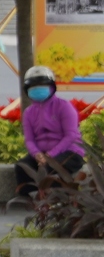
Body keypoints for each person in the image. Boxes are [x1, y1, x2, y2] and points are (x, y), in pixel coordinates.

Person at [16, 65, 85, 200]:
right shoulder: (29, 112)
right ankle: (32, 199)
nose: (37, 88)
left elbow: (70, 135)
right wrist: (37, 155)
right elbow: (29, 139)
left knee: (51, 169)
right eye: (33, 86)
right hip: (42, 154)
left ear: (51, 86)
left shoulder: (64, 106)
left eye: (42, 84)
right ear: (27, 89)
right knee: (21, 167)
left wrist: (50, 155)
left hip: (69, 152)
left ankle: (56, 201)